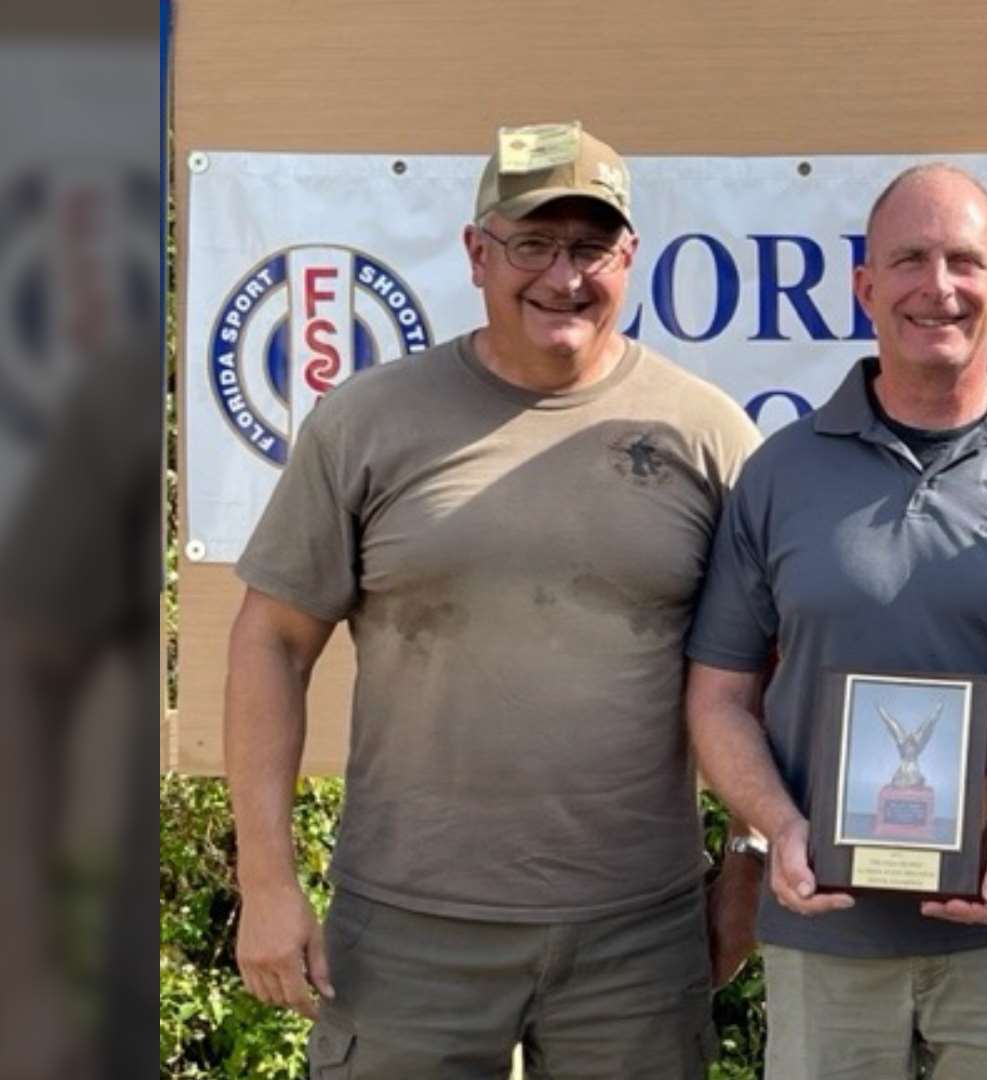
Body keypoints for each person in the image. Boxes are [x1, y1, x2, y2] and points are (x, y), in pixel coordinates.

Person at [224, 122, 763, 1078]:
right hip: (404, 936)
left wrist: (749, 861)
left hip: (635, 939)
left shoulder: (709, 435)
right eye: (533, 244)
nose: (565, 276)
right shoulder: (368, 421)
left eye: (591, 246)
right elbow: (272, 640)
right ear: (477, 253)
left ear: (629, 258)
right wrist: (266, 880)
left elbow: (768, 666)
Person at [684, 162, 987, 1080]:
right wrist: (780, 826)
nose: (937, 287)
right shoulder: (781, 473)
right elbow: (718, 697)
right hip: (822, 939)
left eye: (963, 260)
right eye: (908, 260)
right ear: (865, 287)